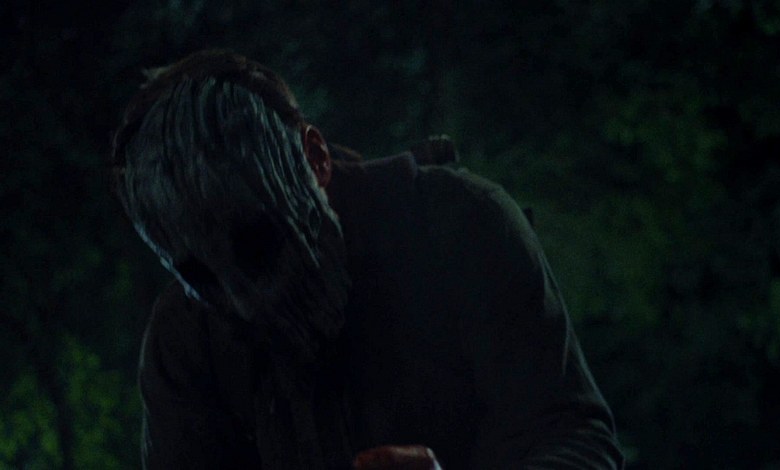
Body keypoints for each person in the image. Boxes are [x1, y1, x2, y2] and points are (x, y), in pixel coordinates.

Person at [111, 49, 624, 469]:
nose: (242, 300)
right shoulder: (185, 342)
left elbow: (574, 439)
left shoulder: (457, 224)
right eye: (201, 276)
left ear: (315, 158)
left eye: (258, 246)